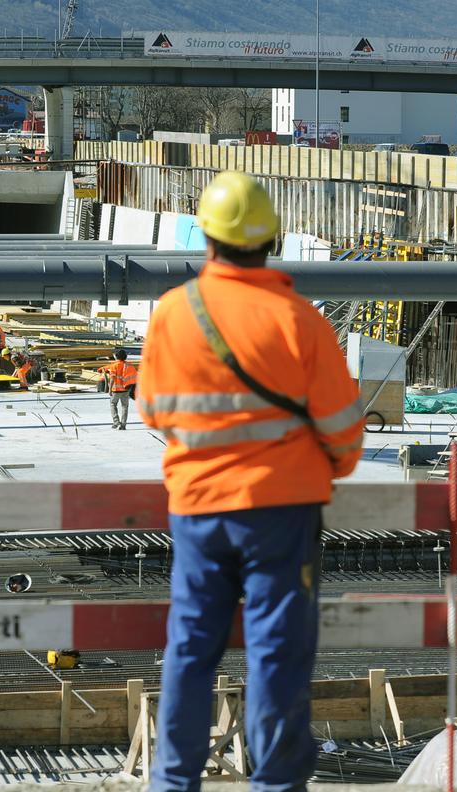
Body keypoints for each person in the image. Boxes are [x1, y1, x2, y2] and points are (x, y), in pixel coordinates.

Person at [136, 171, 365, 792]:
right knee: (276, 656)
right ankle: (275, 782)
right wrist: (321, 467)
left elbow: (153, 409)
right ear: (271, 240)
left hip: (198, 511)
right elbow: (344, 434)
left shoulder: (172, 313)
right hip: (282, 513)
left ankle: (173, 782)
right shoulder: (300, 321)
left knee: (189, 650)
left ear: (206, 238)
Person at [97, 348, 138, 430]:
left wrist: (109, 389)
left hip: (116, 390)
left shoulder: (114, 366)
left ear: (116, 357)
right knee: (125, 407)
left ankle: (116, 422)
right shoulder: (129, 366)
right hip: (126, 390)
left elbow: (112, 378)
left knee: (113, 404)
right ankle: (123, 425)